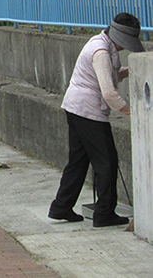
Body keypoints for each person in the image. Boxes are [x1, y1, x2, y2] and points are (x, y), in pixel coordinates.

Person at [48, 12, 144, 227]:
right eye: (125, 44)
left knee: (79, 161)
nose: (124, 48)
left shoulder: (100, 42)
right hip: (88, 111)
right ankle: (104, 213)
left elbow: (111, 75)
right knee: (107, 162)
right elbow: (109, 93)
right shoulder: (100, 51)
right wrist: (131, 112)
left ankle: (61, 207)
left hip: (75, 108)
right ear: (118, 38)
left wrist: (131, 71)